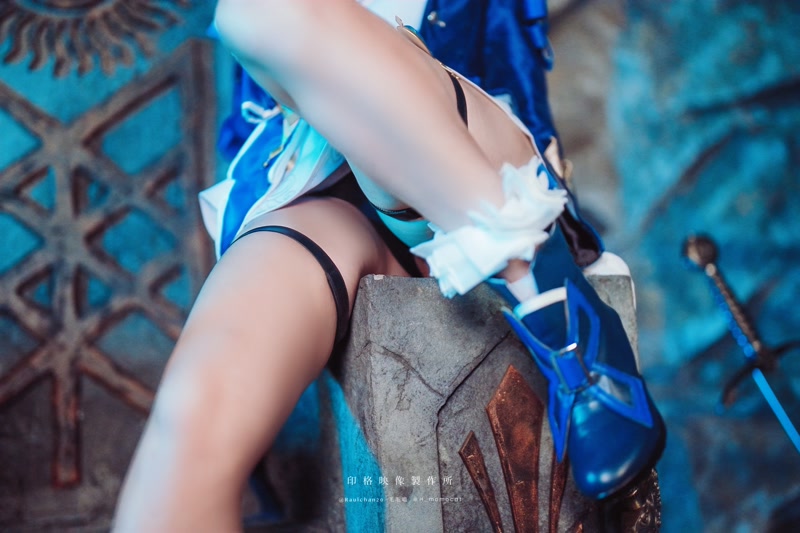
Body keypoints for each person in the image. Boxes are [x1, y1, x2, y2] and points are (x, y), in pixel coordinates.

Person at [113, 1, 665, 530]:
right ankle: (548, 292)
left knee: (264, 11)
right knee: (188, 436)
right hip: (316, 190)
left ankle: (549, 299)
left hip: (478, 159)